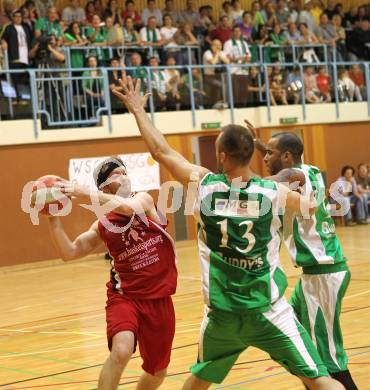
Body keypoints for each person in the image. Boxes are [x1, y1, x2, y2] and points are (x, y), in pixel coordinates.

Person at [112, 76, 345, 390]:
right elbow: (310, 207)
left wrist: (138, 110)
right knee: (320, 380)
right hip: (269, 311)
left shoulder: (205, 186)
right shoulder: (272, 192)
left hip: (222, 315)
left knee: (196, 381)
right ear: (251, 156)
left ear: (221, 156)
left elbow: (161, 150)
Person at [46, 156, 177, 390]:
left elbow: (127, 208)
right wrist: (52, 219)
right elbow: (70, 252)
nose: (124, 176)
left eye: (125, 171)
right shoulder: (102, 225)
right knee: (121, 350)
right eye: (117, 174)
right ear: (104, 187)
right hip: (124, 296)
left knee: (157, 372)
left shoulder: (143, 200)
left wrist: (83, 192)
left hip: (159, 300)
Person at [247, 125, 359, 390]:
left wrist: (239, 166)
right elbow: (283, 163)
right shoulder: (310, 170)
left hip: (324, 275)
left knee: (329, 356)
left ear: (286, 156)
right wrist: (260, 144)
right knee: (299, 344)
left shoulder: (294, 175)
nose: (264, 158)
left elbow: (263, 184)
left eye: (269, 154)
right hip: (315, 275)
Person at [1, 10, 32, 102]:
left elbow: (29, 40)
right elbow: (2, 37)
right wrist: (3, 42)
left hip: (25, 57)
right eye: (16, 16)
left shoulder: (26, 28)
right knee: (15, 79)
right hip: (14, 57)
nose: (18, 18)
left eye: (20, 16)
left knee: (23, 79)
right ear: (13, 18)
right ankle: (17, 98)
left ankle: (24, 98)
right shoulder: (8, 27)